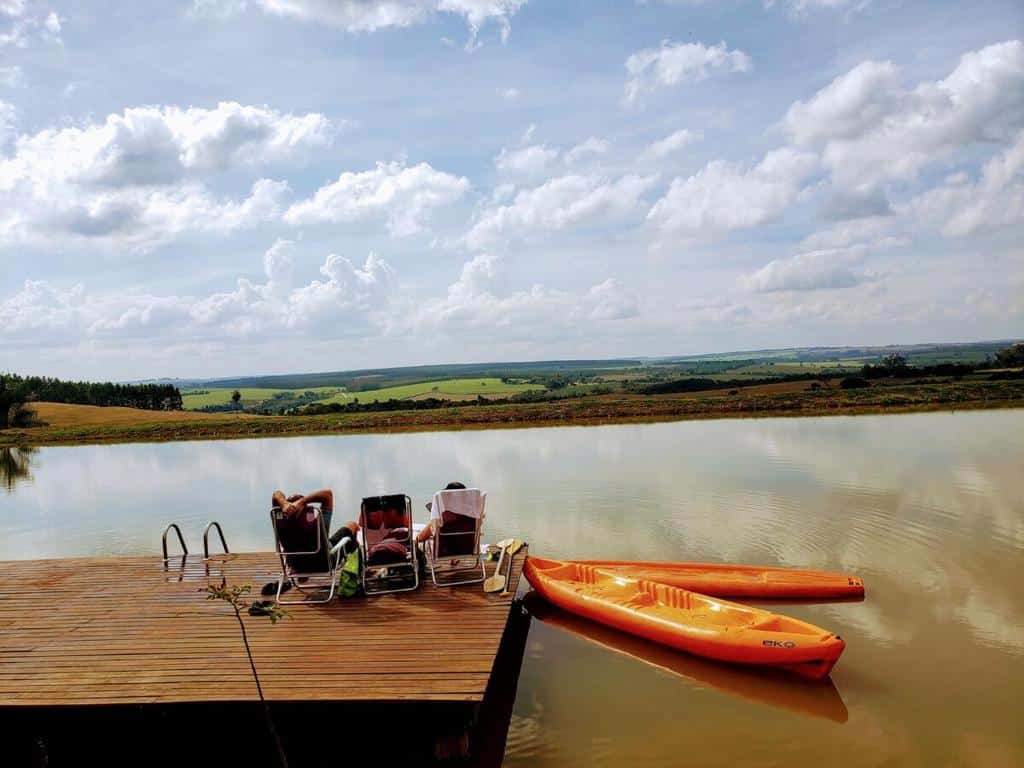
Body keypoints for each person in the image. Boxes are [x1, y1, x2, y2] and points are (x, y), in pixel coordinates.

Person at [265, 488, 359, 596]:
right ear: (305, 510)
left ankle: (303, 575)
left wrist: (284, 504)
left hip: (297, 565)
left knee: (324, 542)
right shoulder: (316, 525)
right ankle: (356, 574)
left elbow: (276, 495)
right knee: (352, 525)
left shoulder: (280, 523)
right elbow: (327, 495)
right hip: (324, 562)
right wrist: (302, 502)